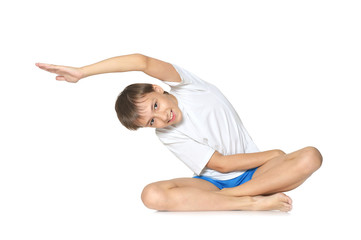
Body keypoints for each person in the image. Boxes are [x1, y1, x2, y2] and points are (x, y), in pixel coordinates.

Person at [36, 53, 322, 212]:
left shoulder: (191, 87)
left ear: (158, 88)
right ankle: (248, 202)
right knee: (152, 195)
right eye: (151, 122)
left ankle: (240, 198)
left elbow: (141, 61)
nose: (161, 117)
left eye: (156, 106)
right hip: (215, 184)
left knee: (310, 156)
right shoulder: (167, 134)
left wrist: (84, 72)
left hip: (258, 174)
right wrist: (273, 153)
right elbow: (219, 164)